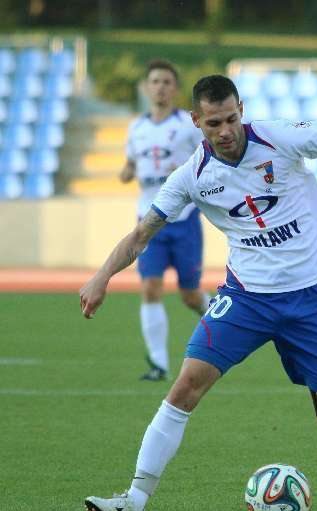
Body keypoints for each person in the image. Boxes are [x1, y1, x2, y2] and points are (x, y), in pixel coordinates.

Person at [80, 74, 317, 511]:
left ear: (241, 110)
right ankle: (134, 499)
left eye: (231, 119)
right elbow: (141, 235)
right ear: (196, 121)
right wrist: (101, 276)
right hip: (246, 299)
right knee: (186, 386)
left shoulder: (281, 138)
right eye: (214, 123)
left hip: (310, 295)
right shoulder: (191, 177)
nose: (226, 131)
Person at [121, 59, 209, 381]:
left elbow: (208, 159)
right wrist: (127, 172)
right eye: (155, 81)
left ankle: (222, 324)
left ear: (175, 89)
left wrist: (185, 173)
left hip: (184, 218)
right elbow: (131, 164)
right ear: (146, 88)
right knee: (150, 287)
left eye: (166, 82)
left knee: (190, 294)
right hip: (149, 219)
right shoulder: (136, 128)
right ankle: (158, 364)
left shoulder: (188, 124)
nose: (160, 87)